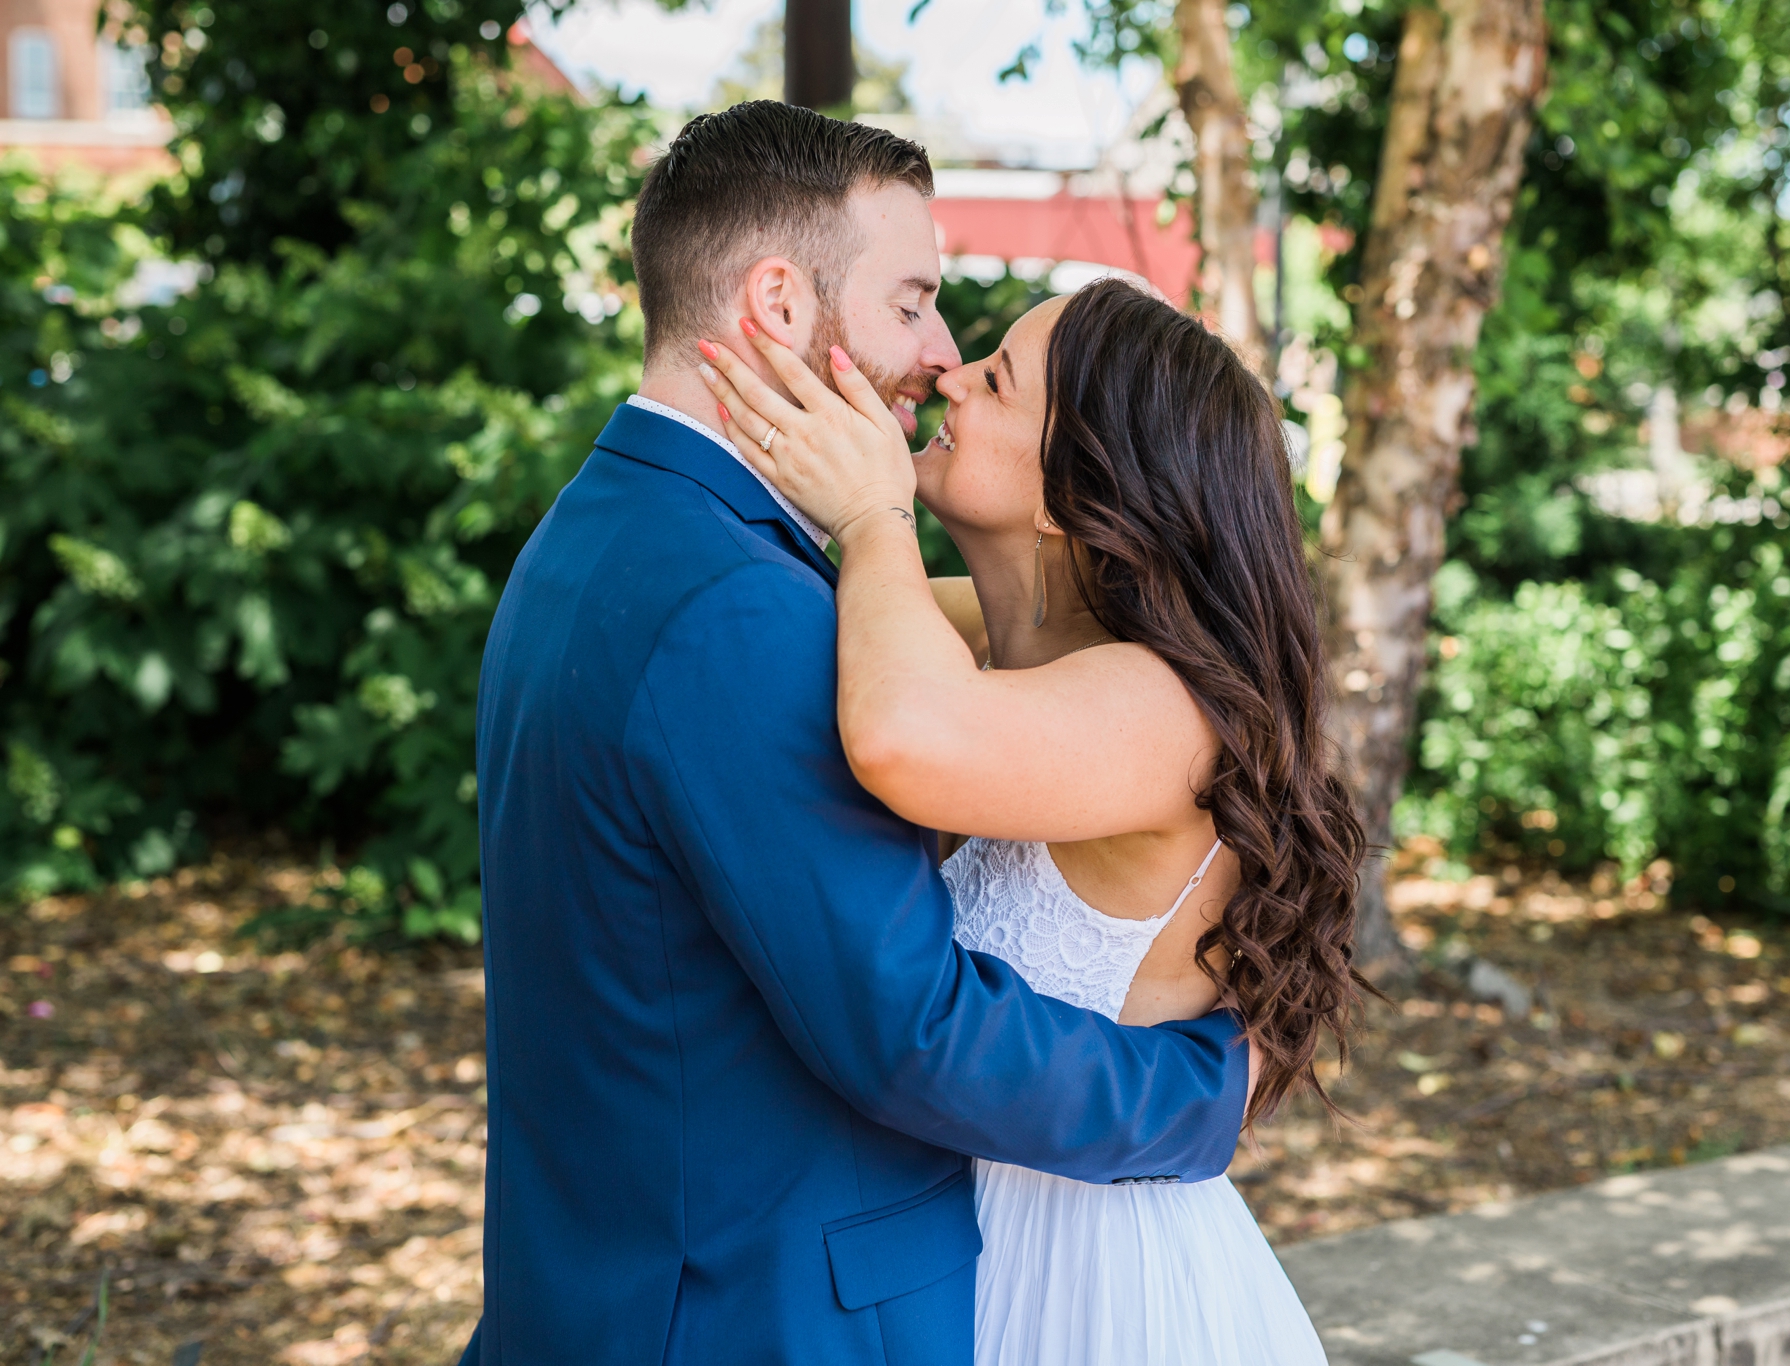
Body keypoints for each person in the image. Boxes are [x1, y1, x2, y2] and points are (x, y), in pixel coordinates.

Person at [458, 104, 1255, 1365]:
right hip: (738, 1311)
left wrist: (882, 528)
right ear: (778, 304)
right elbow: (908, 1031)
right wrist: (1198, 1091)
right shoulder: (740, 607)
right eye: (910, 302)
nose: (938, 352)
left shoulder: (608, 536)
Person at [698, 274, 1370, 1365]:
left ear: (1075, 484)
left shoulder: (1165, 710)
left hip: (1089, 1288)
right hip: (946, 1246)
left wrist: (872, 518)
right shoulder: (1005, 643)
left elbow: (902, 735)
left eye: (997, 378)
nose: (951, 375)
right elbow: (830, 625)